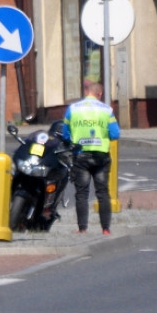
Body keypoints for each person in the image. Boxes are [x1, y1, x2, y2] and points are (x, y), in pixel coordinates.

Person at [62, 78, 120, 235]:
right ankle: (106, 229)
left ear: (87, 93)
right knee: (102, 192)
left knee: (82, 193)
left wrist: (74, 139)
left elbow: (65, 133)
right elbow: (115, 134)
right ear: (99, 94)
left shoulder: (73, 108)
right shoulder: (106, 110)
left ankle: (82, 229)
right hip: (101, 156)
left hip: (80, 155)